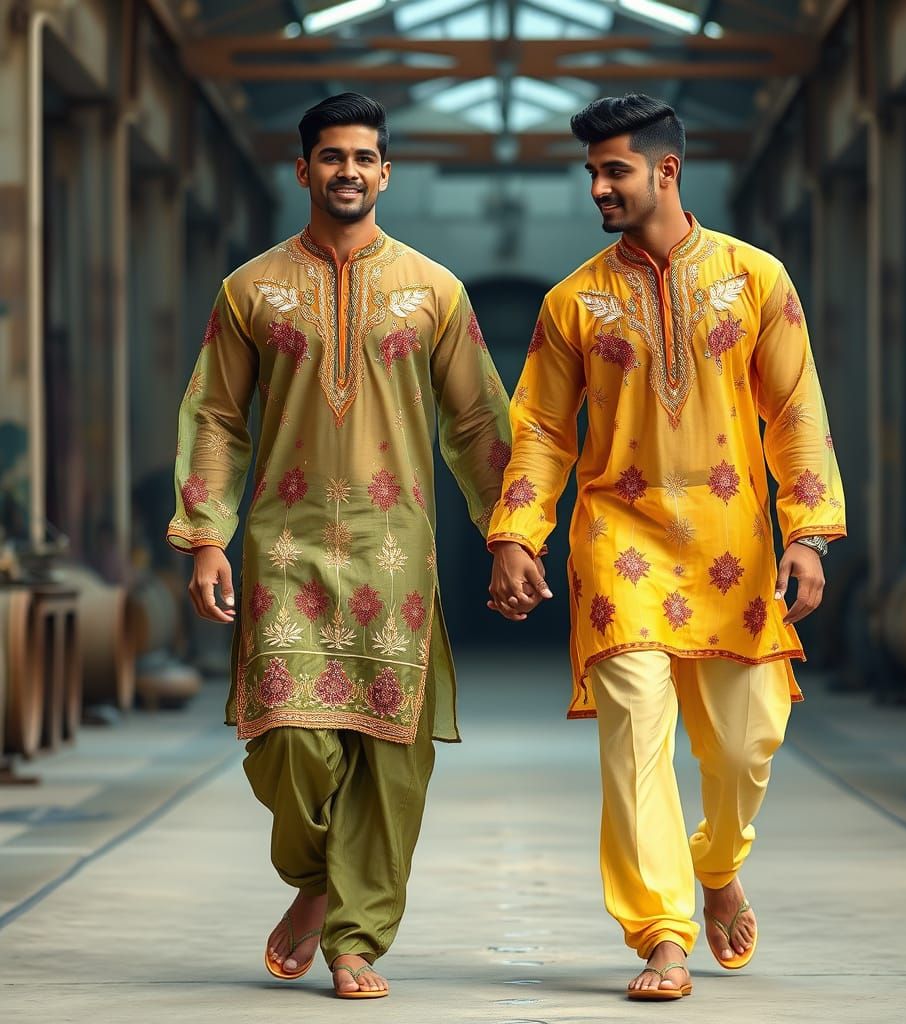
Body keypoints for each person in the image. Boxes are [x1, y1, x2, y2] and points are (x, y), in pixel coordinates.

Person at [487, 93, 846, 1002]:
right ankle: (662, 932)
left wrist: (807, 532)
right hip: (619, 540)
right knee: (637, 732)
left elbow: (795, 413)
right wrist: (518, 534)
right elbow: (538, 430)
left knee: (745, 744)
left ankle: (717, 866)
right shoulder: (574, 301)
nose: (599, 188)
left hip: (734, 545)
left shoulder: (756, 278)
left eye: (615, 171)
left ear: (667, 170)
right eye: (593, 173)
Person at [167, 92, 512, 999]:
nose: (347, 171)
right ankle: (319, 880)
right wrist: (207, 536)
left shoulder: (436, 290)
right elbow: (215, 415)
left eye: (363, 157)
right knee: (292, 744)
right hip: (284, 552)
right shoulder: (251, 289)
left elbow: (478, 421)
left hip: (398, 552)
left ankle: (356, 940)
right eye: (331, 157)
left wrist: (511, 533)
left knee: (389, 762)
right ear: (303, 169)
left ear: (386, 171)